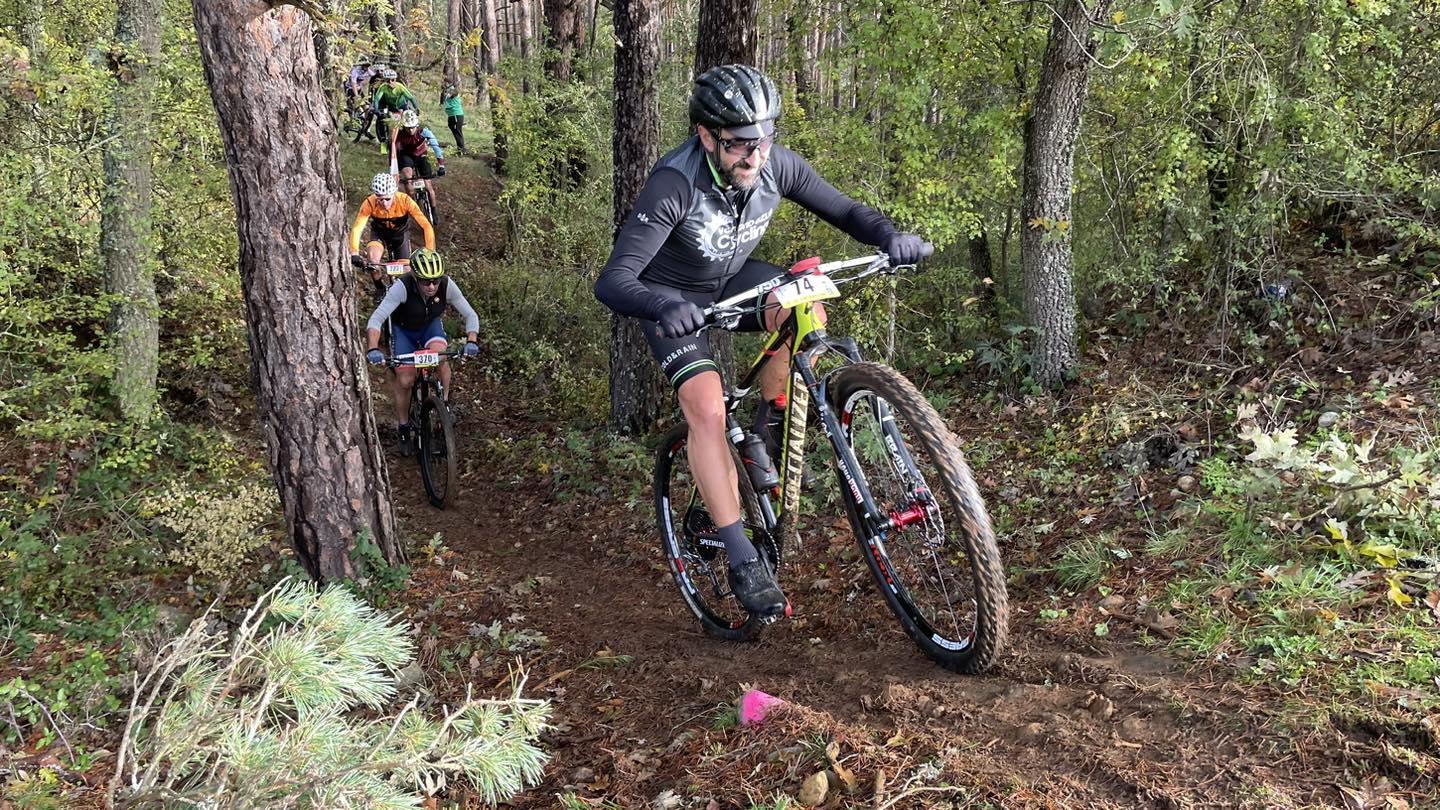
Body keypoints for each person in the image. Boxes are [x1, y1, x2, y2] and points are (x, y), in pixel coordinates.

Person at [592, 64, 929, 618]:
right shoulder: (676, 183)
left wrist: (889, 236)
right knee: (705, 408)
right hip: (670, 301)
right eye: (740, 145)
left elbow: (844, 208)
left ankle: (770, 431)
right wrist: (661, 304)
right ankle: (743, 555)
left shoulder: (775, 165)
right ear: (706, 136)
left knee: (807, 301)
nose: (755, 156)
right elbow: (615, 279)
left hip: (731, 282)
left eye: (764, 140)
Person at [365, 249, 480, 454]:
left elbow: (470, 314)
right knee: (405, 381)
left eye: (435, 281)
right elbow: (376, 320)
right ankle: (403, 426)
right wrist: (373, 348)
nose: (432, 286)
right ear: (416, 277)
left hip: (430, 328)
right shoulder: (402, 287)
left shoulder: (446, 285)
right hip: (404, 331)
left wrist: (472, 341)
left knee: (440, 357)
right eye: (426, 281)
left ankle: (443, 403)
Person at [349, 172, 436, 299]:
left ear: (394, 194)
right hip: (379, 235)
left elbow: (426, 226)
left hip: (400, 235)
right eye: (380, 198)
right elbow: (357, 228)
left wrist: (430, 251)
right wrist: (354, 253)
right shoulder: (369, 203)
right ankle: (379, 288)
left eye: (387, 199)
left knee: (407, 271)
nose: (383, 203)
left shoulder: (405, 200)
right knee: (373, 263)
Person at [390, 109, 445, 222]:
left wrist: (441, 166)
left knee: (428, 185)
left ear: (417, 125)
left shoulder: (424, 131)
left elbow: (436, 147)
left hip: (421, 154)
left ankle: (434, 211)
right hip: (406, 155)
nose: (410, 130)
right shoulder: (399, 134)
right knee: (408, 178)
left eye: (413, 127)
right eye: (407, 128)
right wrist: (393, 170)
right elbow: (393, 152)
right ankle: (412, 207)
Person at [372, 69, 417, 154]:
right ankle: (383, 141)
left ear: (395, 79)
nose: (390, 82)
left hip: (401, 105)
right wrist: (377, 110)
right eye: (388, 80)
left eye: (392, 80)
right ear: (385, 81)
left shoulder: (400, 87)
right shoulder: (383, 87)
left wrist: (416, 108)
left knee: (407, 120)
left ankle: (407, 140)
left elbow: (411, 98)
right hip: (388, 105)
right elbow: (377, 99)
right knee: (381, 119)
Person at [441, 83, 467, 154]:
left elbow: (455, 92)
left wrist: (449, 91)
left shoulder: (454, 92)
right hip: (452, 116)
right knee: (455, 131)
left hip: (456, 115)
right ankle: (460, 149)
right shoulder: (446, 94)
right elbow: (443, 101)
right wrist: (445, 91)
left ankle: (462, 150)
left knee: (457, 132)